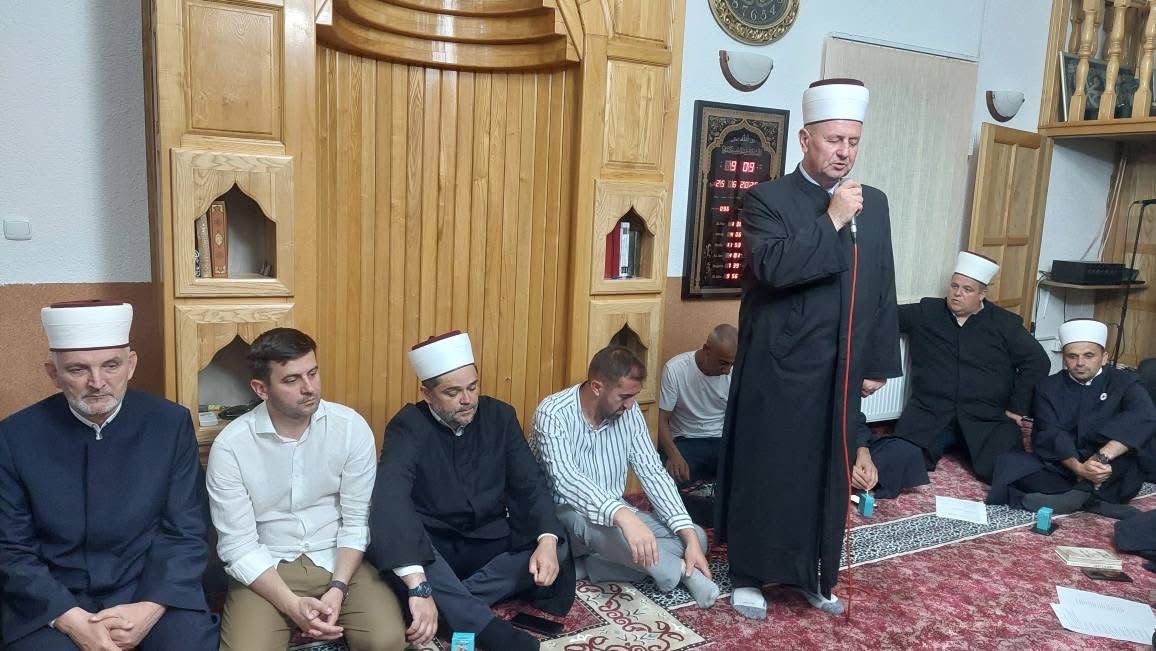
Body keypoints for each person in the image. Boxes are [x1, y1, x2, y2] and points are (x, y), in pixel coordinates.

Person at [714, 79, 902, 619]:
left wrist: (876, 362)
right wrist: (833, 218)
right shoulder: (765, 200)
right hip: (779, 369)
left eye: (853, 142)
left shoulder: (874, 203)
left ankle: (816, 576)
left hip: (840, 370)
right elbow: (773, 268)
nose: (844, 152)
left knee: (827, 477)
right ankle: (750, 575)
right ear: (805, 139)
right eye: (834, 140)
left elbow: (882, 283)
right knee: (770, 472)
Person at [0, 300, 218, 650]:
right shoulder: (14, 437)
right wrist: (72, 620)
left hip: (149, 587)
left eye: (111, 365)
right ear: (53, 373)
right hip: (55, 597)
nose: (97, 382)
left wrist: (149, 607)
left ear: (130, 365)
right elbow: (11, 549)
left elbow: (187, 530)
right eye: (78, 369)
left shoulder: (169, 423)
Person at [367, 331, 573, 651]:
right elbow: (390, 498)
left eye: (472, 387)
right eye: (453, 392)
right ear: (427, 394)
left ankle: (450, 602)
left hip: (488, 542)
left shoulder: (500, 416)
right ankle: (486, 629)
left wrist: (546, 541)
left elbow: (530, 483)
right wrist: (418, 579)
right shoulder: (408, 426)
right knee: (398, 542)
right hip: (436, 548)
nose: (467, 400)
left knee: (556, 541)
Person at [206, 328, 406, 650]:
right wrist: (291, 605)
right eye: (292, 380)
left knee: (386, 641)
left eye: (312, 373)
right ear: (261, 389)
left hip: (341, 560)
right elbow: (238, 546)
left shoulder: (349, 428)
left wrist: (338, 588)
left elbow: (356, 522)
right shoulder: (232, 447)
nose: (309, 388)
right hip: (268, 567)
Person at [531, 345, 720, 609]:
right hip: (562, 517)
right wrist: (623, 516)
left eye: (634, 396)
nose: (631, 404)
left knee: (697, 537)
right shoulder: (552, 413)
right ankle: (680, 572)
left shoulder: (629, 412)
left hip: (615, 515)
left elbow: (653, 472)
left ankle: (591, 566)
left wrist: (687, 536)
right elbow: (567, 480)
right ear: (597, 387)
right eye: (624, 396)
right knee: (610, 530)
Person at [888, 251, 1050, 483]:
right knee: (899, 462)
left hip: (985, 416)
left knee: (1007, 472)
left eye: (967, 289)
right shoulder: (926, 312)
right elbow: (884, 319)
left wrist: (1017, 408)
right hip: (930, 412)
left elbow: (1037, 361)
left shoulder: (1004, 324)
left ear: (982, 294)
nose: (957, 293)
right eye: (954, 286)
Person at [988, 319, 1156, 519]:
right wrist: (1079, 468)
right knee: (1008, 463)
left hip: (1109, 463)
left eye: (1089, 356)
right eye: (1072, 356)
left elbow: (1144, 417)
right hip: (1066, 462)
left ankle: (1075, 497)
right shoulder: (1048, 387)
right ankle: (1090, 499)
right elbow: (1050, 432)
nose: (1080, 363)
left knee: (1130, 458)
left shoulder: (1125, 382)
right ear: (1064, 358)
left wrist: (1100, 458)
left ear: (1104, 357)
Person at [657, 324, 736, 485]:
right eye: (723, 363)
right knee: (671, 477)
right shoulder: (676, 369)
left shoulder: (734, 373)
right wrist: (674, 455)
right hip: (685, 440)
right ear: (707, 350)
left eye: (731, 364)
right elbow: (661, 419)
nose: (727, 370)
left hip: (721, 440)